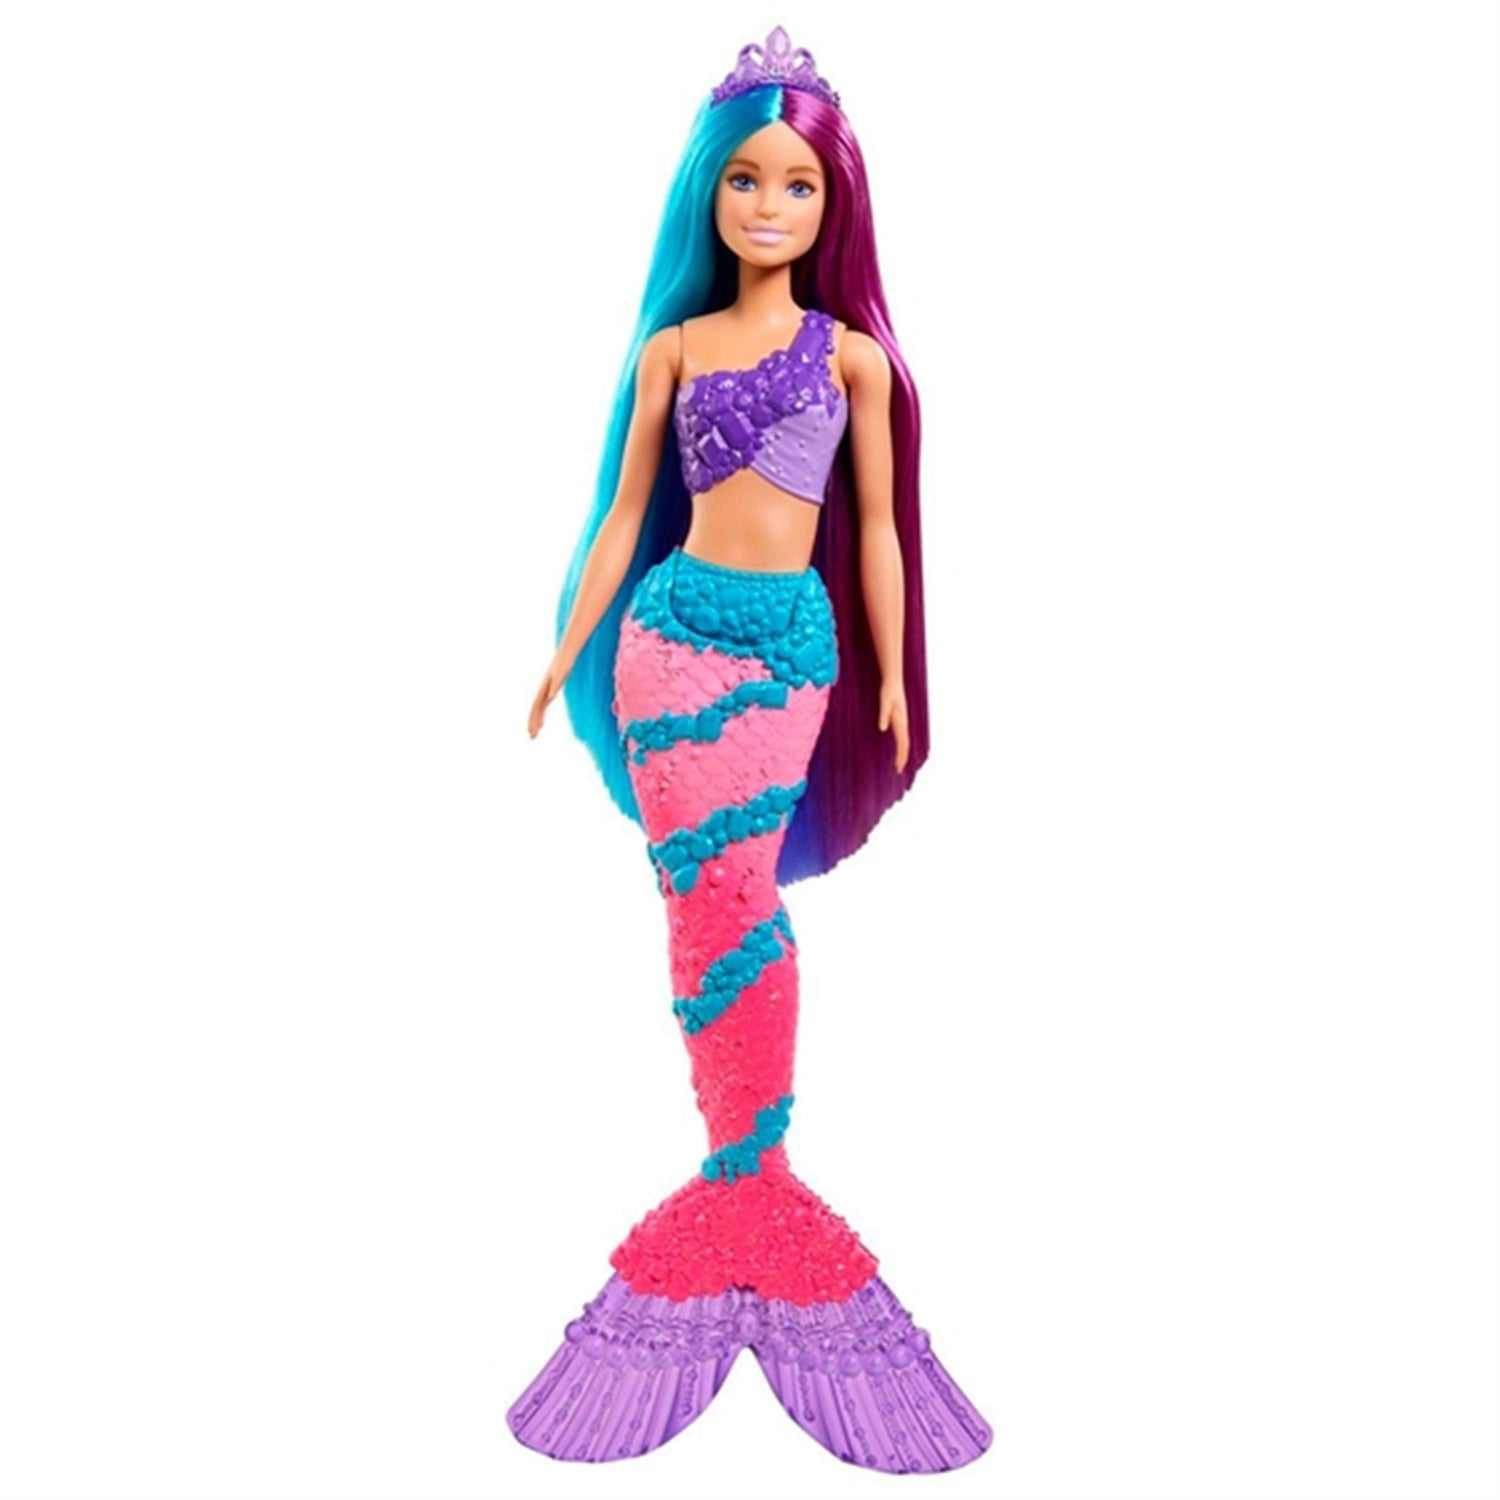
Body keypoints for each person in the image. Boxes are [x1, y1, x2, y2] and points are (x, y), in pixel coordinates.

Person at [509, 26, 991, 1473]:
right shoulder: (671, 349)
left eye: (797, 185)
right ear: (706, 192)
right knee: (698, 903)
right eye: (745, 181)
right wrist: (565, 648)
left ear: (833, 203)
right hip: (668, 644)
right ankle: (741, 1175)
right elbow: (622, 513)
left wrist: (897, 670)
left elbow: (882, 529)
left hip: (787, 653)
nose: (768, 206)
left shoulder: (854, 361)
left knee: (749, 901)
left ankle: (750, 1174)